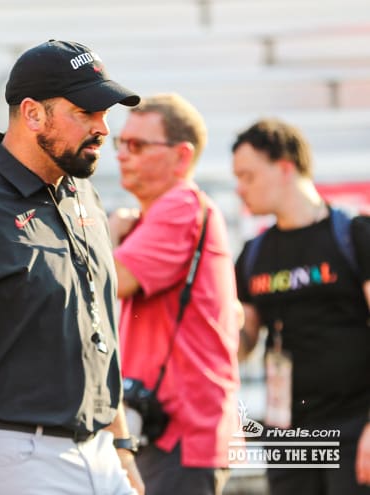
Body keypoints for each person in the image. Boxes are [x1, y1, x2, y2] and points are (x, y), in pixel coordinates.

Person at [0, 39, 145, 495]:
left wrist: (121, 448)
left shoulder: (83, 194)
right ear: (33, 114)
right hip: (13, 457)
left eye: (105, 114)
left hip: (99, 450)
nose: (102, 129)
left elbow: (99, 333)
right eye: (86, 113)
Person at [108, 93, 240, 495]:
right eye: (120, 144)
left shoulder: (180, 205)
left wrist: (109, 234)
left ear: (182, 157)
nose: (122, 155)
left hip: (180, 434)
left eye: (138, 145)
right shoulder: (165, 212)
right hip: (171, 431)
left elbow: (108, 279)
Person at [232, 118, 370, 494]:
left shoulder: (356, 235)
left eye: (248, 176)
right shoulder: (253, 254)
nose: (240, 189)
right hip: (289, 437)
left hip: (355, 427)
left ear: (285, 167)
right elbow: (243, 342)